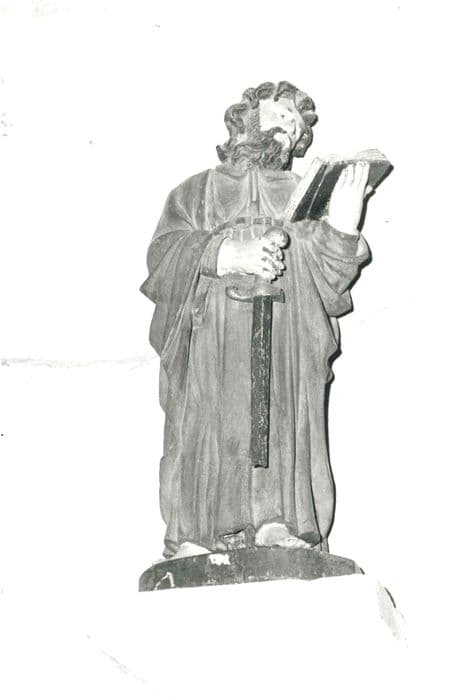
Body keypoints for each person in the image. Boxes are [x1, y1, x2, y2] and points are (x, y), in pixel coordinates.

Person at [141, 81, 371, 559]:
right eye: (279, 115)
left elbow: (330, 275)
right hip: (212, 331)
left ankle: (276, 521)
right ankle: (198, 533)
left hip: (285, 331)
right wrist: (225, 253)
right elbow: (163, 255)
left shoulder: (305, 196)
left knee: (279, 414)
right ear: (244, 120)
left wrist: (343, 224)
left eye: (296, 126)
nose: (289, 129)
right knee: (208, 419)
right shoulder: (197, 191)